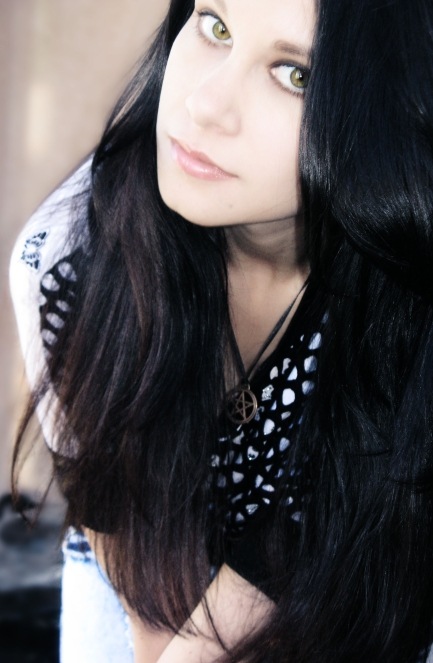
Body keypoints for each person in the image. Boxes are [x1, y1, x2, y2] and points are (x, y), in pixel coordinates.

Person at [10, 0, 433, 660]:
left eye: (294, 75)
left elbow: (319, 549)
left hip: (359, 563)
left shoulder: (404, 302)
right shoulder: (68, 254)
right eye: (215, 26)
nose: (204, 106)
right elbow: (119, 526)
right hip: (144, 554)